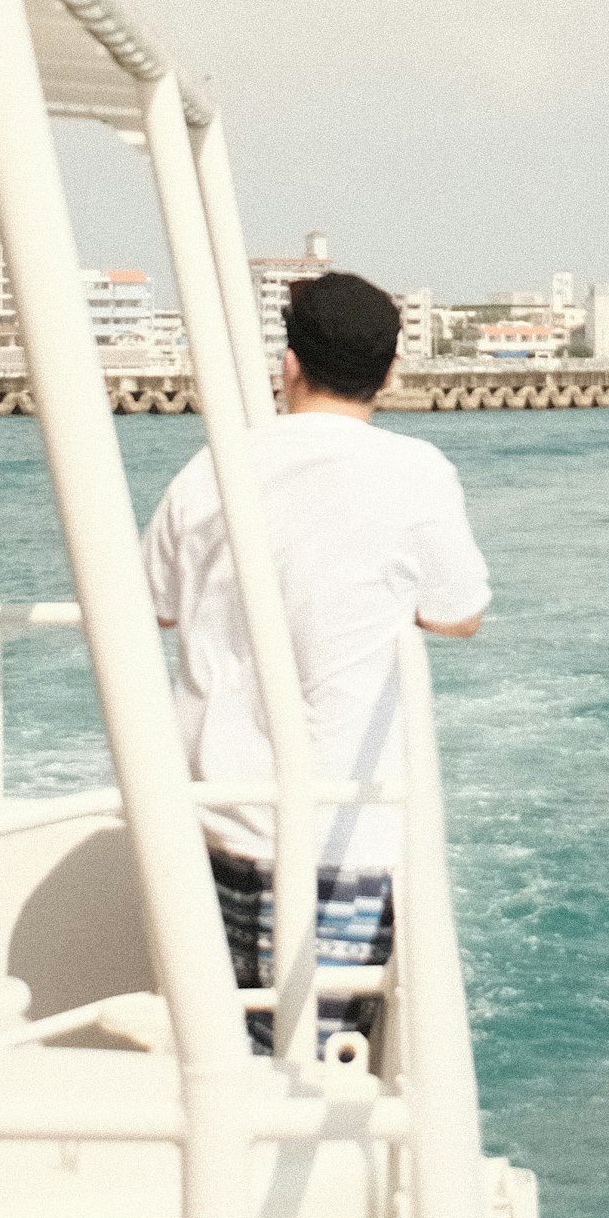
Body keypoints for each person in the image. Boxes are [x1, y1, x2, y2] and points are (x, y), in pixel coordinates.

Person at [141, 270, 488, 1054]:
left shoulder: (212, 469)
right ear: (391, 373)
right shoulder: (416, 473)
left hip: (214, 817)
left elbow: (153, 603)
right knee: (313, 1065)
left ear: (289, 364)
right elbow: (459, 612)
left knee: (214, 1050)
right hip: (343, 830)